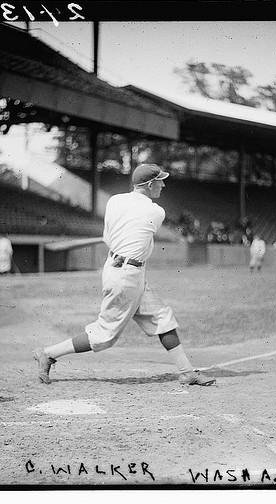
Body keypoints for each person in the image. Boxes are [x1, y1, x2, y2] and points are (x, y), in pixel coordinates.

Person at [32, 163, 216, 387]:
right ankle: (48, 353)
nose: (163, 184)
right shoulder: (156, 211)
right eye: (160, 180)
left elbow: (108, 238)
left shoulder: (114, 201)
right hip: (126, 276)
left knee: (162, 318)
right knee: (103, 336)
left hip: (123, 269)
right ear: (149, 185)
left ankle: (187, 372)